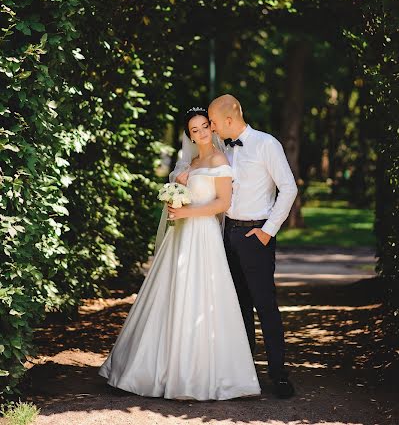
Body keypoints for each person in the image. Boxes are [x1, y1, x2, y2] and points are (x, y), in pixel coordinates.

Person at [98, 107, 261, 401]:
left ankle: (199, 374)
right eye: (194, 130)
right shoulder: (192, 162)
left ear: (212, 128)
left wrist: (187, 209)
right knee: (169, 293)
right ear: (189, 135)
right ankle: (151, 368)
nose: (200, 133)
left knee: (203, 297)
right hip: (182, 235)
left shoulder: (219, 159)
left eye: (203, 127)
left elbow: (222, 204)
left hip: (204, 236)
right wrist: (177, 200)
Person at [208, 95, 298, 399]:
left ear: (229, 120)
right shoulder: (223, 149)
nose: (214, 129)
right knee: (239, 308)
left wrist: (267, 231)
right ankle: (244, 375)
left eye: (216, 123)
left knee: (265, 307)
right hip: (228, 235)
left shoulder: (266, 144)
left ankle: (279, 375)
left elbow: (289, 188)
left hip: (256, 237)